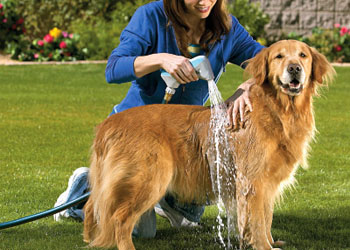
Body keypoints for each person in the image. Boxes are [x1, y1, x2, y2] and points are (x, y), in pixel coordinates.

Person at [54, 0, 264, 238]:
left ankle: (163, 197)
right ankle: (81, 192)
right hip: (137, 135)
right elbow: (113, 69)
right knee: (142, 232)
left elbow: (269, 59)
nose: (204, 1)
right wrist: (160, 59)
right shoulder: (150, 16)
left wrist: (247, 86)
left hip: (184, 138)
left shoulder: (227, 27)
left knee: (211, 180)